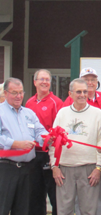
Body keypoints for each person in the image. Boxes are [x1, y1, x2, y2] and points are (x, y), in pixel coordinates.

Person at [49, 78, 101, 215]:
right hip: (64, 170)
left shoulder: (98, 114)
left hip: (89, 169)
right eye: (78, 91)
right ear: (70, 94)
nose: (82, 95)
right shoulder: (62, 113)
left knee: (88, 211)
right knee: (64, 211)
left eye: (85, 91)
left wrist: (99, 168)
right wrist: (54, 166)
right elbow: (53, 142)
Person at [63, 67, 101, 215]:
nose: (90, 83)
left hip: (98, 160)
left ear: (97, 82)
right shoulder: (68, 102)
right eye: (86, 79)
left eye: (93, 80)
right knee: (78, 200)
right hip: (76, 161)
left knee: (97, 198)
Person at [0, 77, 49, 215]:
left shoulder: (29, 113)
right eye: (14, 92)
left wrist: (48, 139)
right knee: (2, 207)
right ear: (5, 93)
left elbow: (40, 131)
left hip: (27, 170)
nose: (19, 96)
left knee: (23, 210)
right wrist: (16, 144)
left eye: (21, 92)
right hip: (6, 169)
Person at [26, 69, 63, 215]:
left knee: (54, 195)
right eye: (41, 79)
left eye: (47, 79)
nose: (45, 82)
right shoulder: (29, 102)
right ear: (35, 82)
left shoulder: (56, 102)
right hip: (33, 155)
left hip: (50, 155)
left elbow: (60, 130)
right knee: (35, 194)